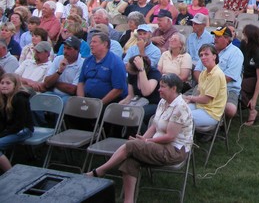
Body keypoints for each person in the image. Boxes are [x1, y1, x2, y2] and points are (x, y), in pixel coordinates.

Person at [85, 73, 193, 203]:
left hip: (174, 150)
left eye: (162, 87)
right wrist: (142, 139)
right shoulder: (163, 102)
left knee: (131, 146)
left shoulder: (180, 107)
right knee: (130, 158)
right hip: (158, 145)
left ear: (174, 89)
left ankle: (99, 171)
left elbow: (170, 137)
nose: (159, 89)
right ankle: (128, 200)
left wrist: (147, 141)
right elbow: (154, 126)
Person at [193, 26, 243, 119]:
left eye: (218, 37)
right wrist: (204, 84)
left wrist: (210, 85)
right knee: (184, 100)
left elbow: (229, 77)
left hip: (227, 89)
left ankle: (216, 122)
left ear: (227, 39)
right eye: (215, 36)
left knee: (230, 109)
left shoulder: (236, 53)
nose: (215, 39)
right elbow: (197, 70)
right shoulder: (208, 50)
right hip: (204, 86)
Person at [77, 32, 128, 105]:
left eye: (94, 42)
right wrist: (81, 101)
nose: (91, 44)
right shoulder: (87, 60)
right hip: (87, 101)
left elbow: (118, 89)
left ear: (105, 44)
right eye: (91, 42)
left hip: (108, 104)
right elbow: (81, 82)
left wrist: (99, 104)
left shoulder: (116, 63)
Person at [184, 44, 227, 129]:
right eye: (201, 55)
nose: (203, 57)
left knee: (181, 118)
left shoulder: (216, 74)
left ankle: (178, 140)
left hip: (211, 113)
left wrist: (190, 97)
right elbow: (199, 93)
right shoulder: (204, 73)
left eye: (206, 54)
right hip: (200, 106)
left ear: (214, 56)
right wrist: (187, 100)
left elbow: (206, 99)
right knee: (177, 111)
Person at [0, 73, 34, 172]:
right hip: (10, 130)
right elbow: (2, 122)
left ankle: (10, 173)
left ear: (15, 85)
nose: (4, 85)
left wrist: (2, 134)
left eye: (8, 83)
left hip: (24, 130)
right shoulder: (3, 99)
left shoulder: (20, 99)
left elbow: (19, 124)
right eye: (2, 83)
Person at [121, 55, 161, 127]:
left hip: (154, 103)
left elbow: (146, 92)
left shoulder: (154, 73)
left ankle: (141, 136)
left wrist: (141, 70)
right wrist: (119, 105)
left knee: (135, 115)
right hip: (138, 102)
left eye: (128, 65)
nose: (126, 65)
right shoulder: (132, 74)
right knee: (120, 112)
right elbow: (130, 95)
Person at [43, 36, 84, 102]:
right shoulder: (58, 59)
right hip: (53, 93)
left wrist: (54, 83)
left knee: (63, 102)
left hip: (69, 97)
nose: (65, 51)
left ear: (77, 50)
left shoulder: (82, 64)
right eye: (64, 48)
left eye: (69, 49)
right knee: (41, 98)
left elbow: (72, 90)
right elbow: (47, 83)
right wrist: (59, 71)